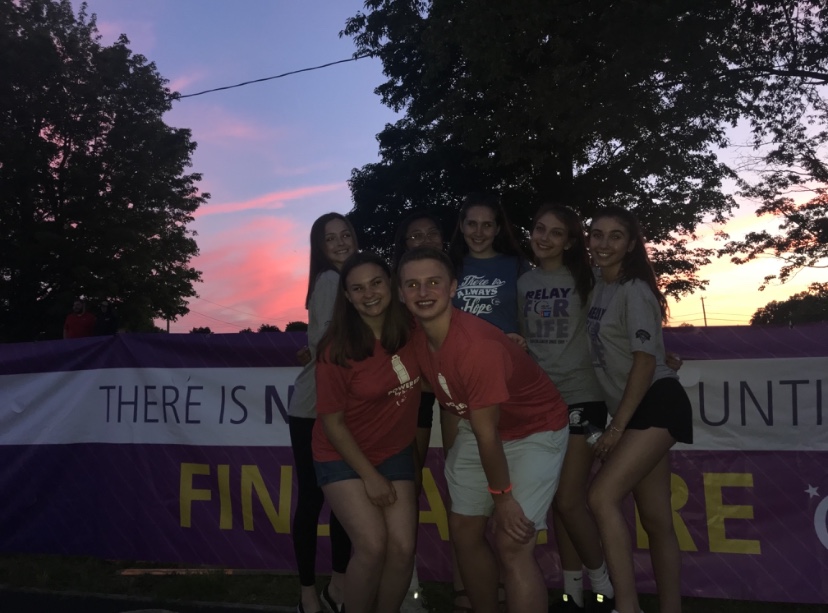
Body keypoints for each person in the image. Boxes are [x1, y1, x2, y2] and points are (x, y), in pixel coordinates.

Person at [398, 247, 569, 613]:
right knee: (463, 533)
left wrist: (503, 498)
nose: (423, 292)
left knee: (511, 542)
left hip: (533, 432)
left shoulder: (475, 347)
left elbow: (487, 433)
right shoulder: (415, 335)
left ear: (454, 287)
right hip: (481, 432)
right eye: (412, 284)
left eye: (433, 282)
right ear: (401, 293)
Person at [585, 207, 693, 613]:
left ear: (631, 245)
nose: (605, 244)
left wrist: (616, 429)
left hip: (657, 402)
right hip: (636, 406)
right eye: (597, 234)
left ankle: (626, 606)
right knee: (656, 519)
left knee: (600, 497)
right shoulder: (597, 283)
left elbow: (645, 363)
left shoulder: (635, 290)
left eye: (616, 236)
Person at [518, 204, 615, 613]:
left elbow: (618, 323)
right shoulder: (523, 283)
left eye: (556, 233)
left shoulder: (589, 278)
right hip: (541, 402)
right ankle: (573, 592)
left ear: (571, 241)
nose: (544, 238)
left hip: (584, 396)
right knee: (557, 496)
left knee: (570, 499)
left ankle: (605, 586)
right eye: (540, 229)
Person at [313, 252, 421, 613]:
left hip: (394, 449)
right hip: (341, 454)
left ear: (390, 283)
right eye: (357, 289)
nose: (369, 293)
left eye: (376, 283)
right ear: (346, 296)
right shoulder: (336, 349)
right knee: (373, 545)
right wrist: (370, 477)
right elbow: (333, 423)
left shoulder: (413, 326)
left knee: (403, 547)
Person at [288, 212, 356, 613]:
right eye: (331, 239)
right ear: (320, 247)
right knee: (319, 501)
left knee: (336, 503)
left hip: (333, 408)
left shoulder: (346, 282)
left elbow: (322, 342)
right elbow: (335, 349)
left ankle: (328, 589)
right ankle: (315, 592)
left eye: (346, 235)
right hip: (317, 409)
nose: (341, 243)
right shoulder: (331, 281)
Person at [447, 192, 530, 344]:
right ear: (461, 226)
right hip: (462, 355)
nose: (478, 232)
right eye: (472, 224)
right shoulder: (448, 267)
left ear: (497, 229)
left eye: (487, 225)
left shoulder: (518, 265)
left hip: (506, 355)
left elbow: (530, 316)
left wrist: (525, 341)